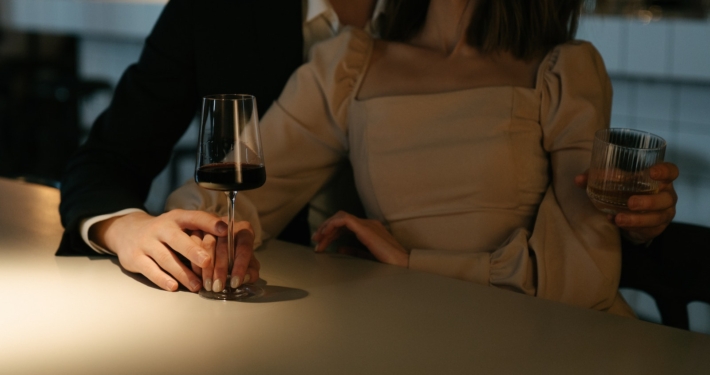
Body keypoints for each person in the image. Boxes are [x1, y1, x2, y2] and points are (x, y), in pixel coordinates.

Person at [59, 0, 678, 298]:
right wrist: (150, 231)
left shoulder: (562, 69)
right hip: (339, 321)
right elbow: (225, 195)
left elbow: (588, 263)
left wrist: (635, 218)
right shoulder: (347, 63)